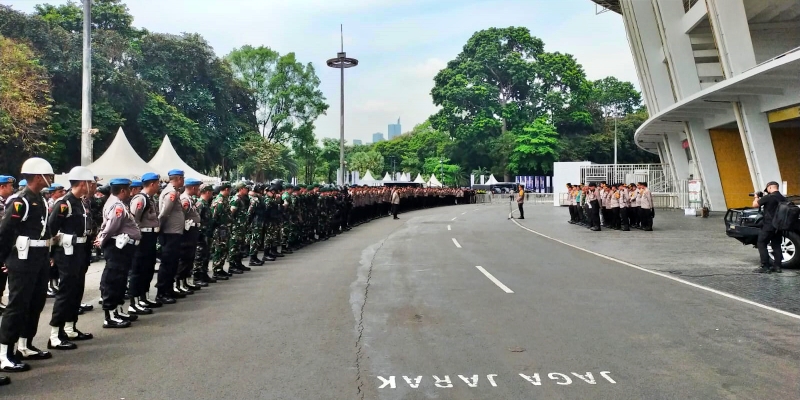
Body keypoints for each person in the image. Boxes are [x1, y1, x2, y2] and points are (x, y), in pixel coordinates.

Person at [0, 157, 57, 372]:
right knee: (17, 306)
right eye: (47, 175)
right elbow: (5, 232)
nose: (50, 179)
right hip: (22, 259)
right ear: (37, 176)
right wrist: (3, 258)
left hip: (39, 258)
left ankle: (25, 345)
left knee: (35, 303)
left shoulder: (41, 199)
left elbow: (45, 231)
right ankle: (4, 353)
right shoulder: (20, 201)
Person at [46, 166, 96, 351]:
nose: (92, 186)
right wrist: (51, 254)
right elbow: (51, 228)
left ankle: (70, 326)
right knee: (65, 291)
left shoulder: (81, 202)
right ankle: (54, 334)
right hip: (66, 253)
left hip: (80, 250)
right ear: (82, 183)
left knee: (77, 289)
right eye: (89, 183)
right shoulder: (64, 203)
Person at [95, 178, 141, 328]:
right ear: (122, 190)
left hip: (122, 248)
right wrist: (102, 239)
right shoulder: (116, 205)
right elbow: (111, 227)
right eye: (128, 189)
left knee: (120, 280)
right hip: (116, 247)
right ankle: (110, 316)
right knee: (114, 280)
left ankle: (117, 311)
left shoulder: (117, 203)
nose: (130, 192)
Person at [128, 173, 162, 311]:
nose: (159, 186)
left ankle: (144, 296)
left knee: (148, 268)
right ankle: (134, 302)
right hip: (142, 238)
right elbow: (133, 220)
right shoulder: (140, 199)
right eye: (158, 183)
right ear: (152, 184)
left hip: (150, 237)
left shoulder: (150, 199)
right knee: (138, 269)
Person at [157, 170, 187, 302]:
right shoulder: (171, 193)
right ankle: (162, 292)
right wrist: (160, 228)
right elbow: (164, 213)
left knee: (173, 263)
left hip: (174, 232)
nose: (183, 180)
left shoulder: (174, 191)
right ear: (179, 179)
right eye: (183, 178)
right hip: (170, 233)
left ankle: (169, 289)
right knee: (168, 263)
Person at [753, 181, 786, 274]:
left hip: (769, 225)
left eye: (767, 189)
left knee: (761, 243)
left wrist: (756, 197)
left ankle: (765, 266)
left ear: (770, 187)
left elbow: (755, 205)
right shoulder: (783, 198)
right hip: (779, 226)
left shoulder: (768, 197)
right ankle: (777, 267)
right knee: (776, 245)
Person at [177, 178, 203, 292]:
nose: (199, 189)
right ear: (193, 187)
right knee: (185, 257)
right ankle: (180, 283)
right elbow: (182, 216)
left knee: (190, 257)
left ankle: (186, 281)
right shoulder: (185, 199)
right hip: (187, 232)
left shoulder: (190, 199)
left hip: (192, 231)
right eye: (197, 187)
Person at [192, 184, 217, 284]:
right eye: (211, 192)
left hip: (207, 234)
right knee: (199, 256)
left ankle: (204, 274)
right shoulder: (200, 204)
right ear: (207, 192)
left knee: (206, 255)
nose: (211, 194)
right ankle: (197, 277)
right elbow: (195, 220)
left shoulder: (206, 203)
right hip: (201, 234)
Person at [210, 182, 233, 280]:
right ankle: (216, 270)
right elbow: (214, 217)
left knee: (224, 249)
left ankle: (220, 268)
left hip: (225, 228)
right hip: (220, 229)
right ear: (227, 189)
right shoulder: (219, 201)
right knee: (219, 249)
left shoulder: (224, 199)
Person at [0, 175, 15, 317]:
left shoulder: (7, 202)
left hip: (5, 243)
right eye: (9, 186)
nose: (12, 188)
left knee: (2, 276)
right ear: (2, 187)